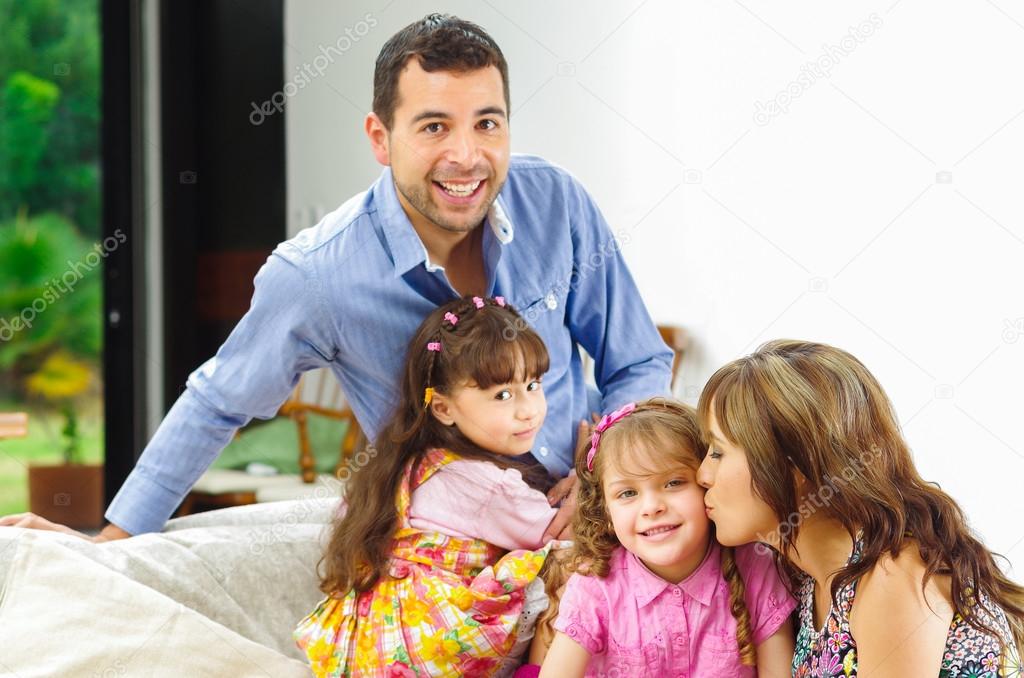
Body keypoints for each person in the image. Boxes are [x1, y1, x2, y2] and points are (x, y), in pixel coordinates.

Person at [0, 14, 672, 540]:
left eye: (487, 124)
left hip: (592, 519)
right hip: (445, 547)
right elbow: (218, 401)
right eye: (434, 126)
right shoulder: (316, 276)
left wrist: (609, 471)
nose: (467, 156)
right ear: (380, 138)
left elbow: (637, 360)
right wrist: (114, 539)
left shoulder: (556, 202)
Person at [696, 339, 1024, 677]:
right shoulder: (812, 581)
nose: (702, 474)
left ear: (794, 465)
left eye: (718, 452)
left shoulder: (892, 577)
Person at [294, 296, 564, 677]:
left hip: (366, 650)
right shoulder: (485, 485)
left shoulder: (398, 466)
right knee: (567, 567)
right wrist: (590, 472)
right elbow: (565, 532)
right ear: (442, 408)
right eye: (502, 395)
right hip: (431, 653)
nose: (528, 409)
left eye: (533, 385)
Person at [536, 398, 796, 677]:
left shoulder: (757, 568)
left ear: (706, 484)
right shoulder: (596, 585)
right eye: (628, 493)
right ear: (607, 512)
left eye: (673, 483)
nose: (652, 507)